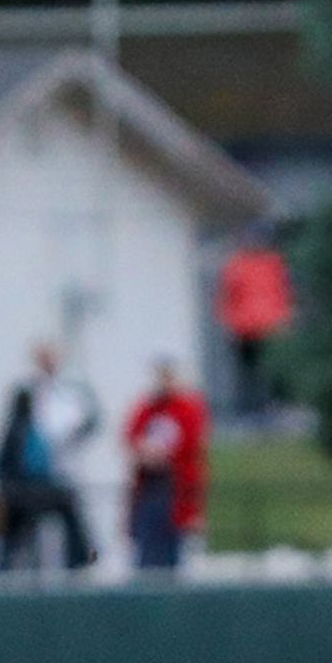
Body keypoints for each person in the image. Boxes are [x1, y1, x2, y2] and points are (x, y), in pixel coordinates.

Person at [0, 341, 95, 574]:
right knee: (18, 533)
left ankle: (84, 563)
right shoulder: (23, 413)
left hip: (39, 485)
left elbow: (87, 422)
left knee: (65, 516)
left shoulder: (68, 393)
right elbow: (7, 458)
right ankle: (5, 572)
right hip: (24, 489)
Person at [121, 359, 208, 574]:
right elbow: (131, 437)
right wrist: (145, 452)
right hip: (150, 491)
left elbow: (189, 445)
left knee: (177, 558)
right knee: (147, 558)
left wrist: (163, 455)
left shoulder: (188, 408)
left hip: (177, 491)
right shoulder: (148, 408)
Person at [216, 233, 295, 414]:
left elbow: (284, 293)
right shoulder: (239, 265)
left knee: (269, 369)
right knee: (249, 371)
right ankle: (252, 409)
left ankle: (271, 406)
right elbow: (227, 296)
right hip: (247, 328)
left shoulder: (271, 264)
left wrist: (286, 319)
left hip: (267, 327)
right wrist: (228, 324)